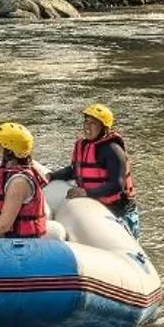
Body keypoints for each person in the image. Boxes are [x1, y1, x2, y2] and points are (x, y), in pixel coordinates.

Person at [48, 102, 139, 239]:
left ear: (104, 128)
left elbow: (117, 185)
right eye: (86, 122)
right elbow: (75, 170)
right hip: (95, 204)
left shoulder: (112, 150)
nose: (87, 127)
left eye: (93, 124)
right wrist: (50, 176)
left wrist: (86, 192)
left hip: (119, 210)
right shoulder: (83, 145)